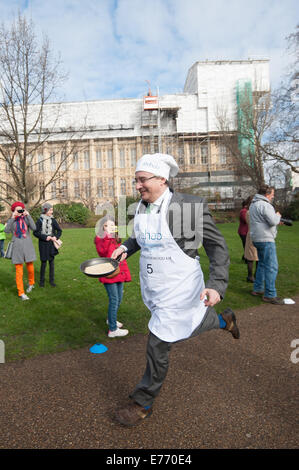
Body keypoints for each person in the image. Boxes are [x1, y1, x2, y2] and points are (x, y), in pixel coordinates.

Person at [111, 153, 240, 427]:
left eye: (142, 180)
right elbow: (141, 237)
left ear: (162, 179)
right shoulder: (141, 207)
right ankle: (223, 320)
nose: (137, 186)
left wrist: (216, 285)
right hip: (155, 286)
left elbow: (217, 246)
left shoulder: (189, 207)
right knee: (180, 327)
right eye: (136, 180)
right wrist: (125, 247)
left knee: (158, 342)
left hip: (181, 286)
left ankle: (143, 402)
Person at [94, 215, 131, 338]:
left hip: (118, 271)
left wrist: (123, 256)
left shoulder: (116, 238)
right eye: (107, 225)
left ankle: (111, 320)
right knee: (114, 300)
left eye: (112, 225)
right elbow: (103, 252)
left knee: (119, 299)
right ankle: (113, 330)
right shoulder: (100, 238)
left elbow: (115, 255)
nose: (110, 227)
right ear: (102, 227)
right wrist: (107, 237)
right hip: (108, 273)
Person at [249, 184, 283, 304]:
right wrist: (278, 216)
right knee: (272, 267)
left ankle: (258, 288)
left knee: (262, 264)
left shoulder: (253, 204)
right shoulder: (265, 205)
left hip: (257, 238)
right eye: (272, 194)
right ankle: (270, 294)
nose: (272, 197)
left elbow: (263, 221)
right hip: (266, 239)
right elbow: (273, 220)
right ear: (266, 194)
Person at [4, 201, 36, 300]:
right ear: (14, 211)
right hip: (17, 247)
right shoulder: (12, 220)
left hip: (27, 245)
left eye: (21, 209)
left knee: (30, 268)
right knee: (19, 271)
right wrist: (12, 218)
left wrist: (29, 216)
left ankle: (31, 283)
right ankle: (21, 293)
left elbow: (34, 228)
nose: (20, 211)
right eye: (17, 210)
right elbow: (7, 230)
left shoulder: (26, 218)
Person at [33, 203, 62, 287]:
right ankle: (42, 282)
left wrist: (55, 237)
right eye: (50, 210)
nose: (52, 211)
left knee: (51, 262)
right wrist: (45, 237)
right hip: (43, 244)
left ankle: (51, 281)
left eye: (52, 210)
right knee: (43, 262)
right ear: (45, 210)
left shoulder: (53, 220)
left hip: (51, 244)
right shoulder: (39, 220)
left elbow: (59, 231)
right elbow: (35, 232)